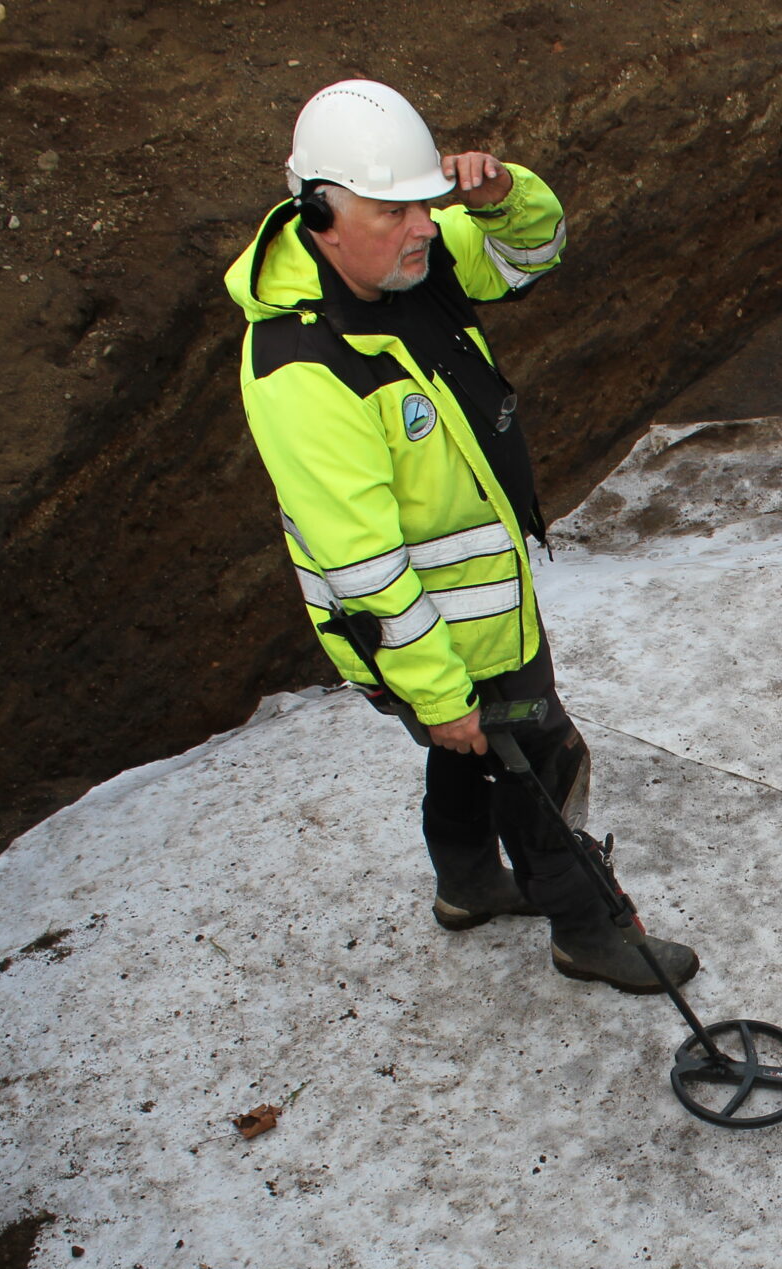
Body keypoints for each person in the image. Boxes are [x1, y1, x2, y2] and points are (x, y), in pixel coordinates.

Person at [225, 80, 699, 991]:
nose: (421, 225)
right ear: (319, 212)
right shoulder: (302, 371)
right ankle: (589, 933)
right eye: (392, 208)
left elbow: (533, 254)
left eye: (424, 203)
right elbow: (363, 570)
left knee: (471, 751)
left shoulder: (414, 259)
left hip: (475, 605)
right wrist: (439, 692)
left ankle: (469, 884)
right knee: (542, 762)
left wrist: (503, 195)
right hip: (424, 634)